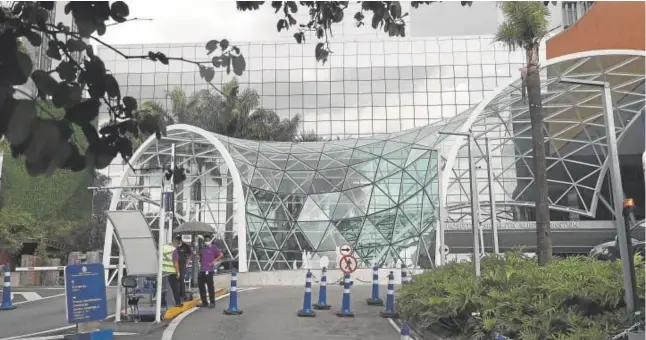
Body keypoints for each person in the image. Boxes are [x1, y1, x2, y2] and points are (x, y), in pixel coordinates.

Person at [198, 234, 224, 308]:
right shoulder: (202, 248)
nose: (207, 241)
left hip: (209, 270)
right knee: (201, 287)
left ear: (210, 240)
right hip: (202, 270)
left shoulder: (213, 248)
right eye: (206, 240)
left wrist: (214, 261)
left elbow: (221, 255)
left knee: (210, 287)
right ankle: (204, 302)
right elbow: (200, 257)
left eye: (208, 240)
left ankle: (212, 302)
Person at [161, 238, 182, 307]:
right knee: (175, 288)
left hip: (163, 270)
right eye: (178, 245)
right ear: (176, 243)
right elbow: (175, 262)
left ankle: (162, 302)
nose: (178, 246)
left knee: (162, 288)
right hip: (171, 271)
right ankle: (178, 303)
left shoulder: (163, 247)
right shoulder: (174, 250)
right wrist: (178, 272)